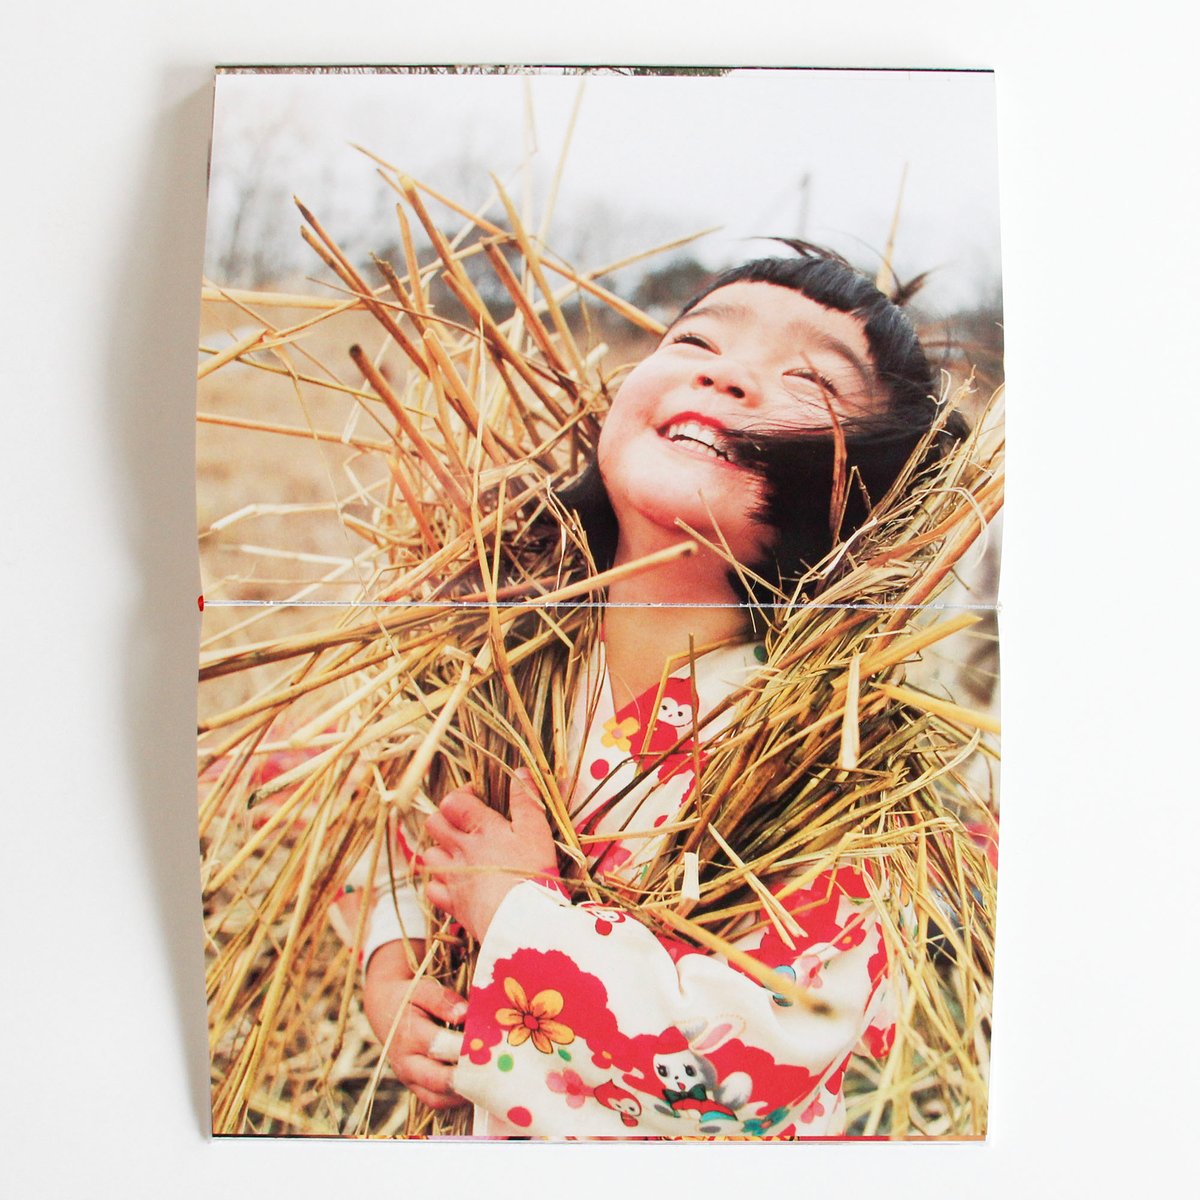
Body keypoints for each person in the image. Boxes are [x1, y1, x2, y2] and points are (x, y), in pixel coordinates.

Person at [360, 244, 966, 1137]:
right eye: (697, 341)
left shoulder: (833, 763)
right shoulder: (510, 656)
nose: (727, 375)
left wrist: (517, 919)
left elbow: (754, 1072)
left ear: (867, 497)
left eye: (808, 378)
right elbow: (418, 840)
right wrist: (395, 965)